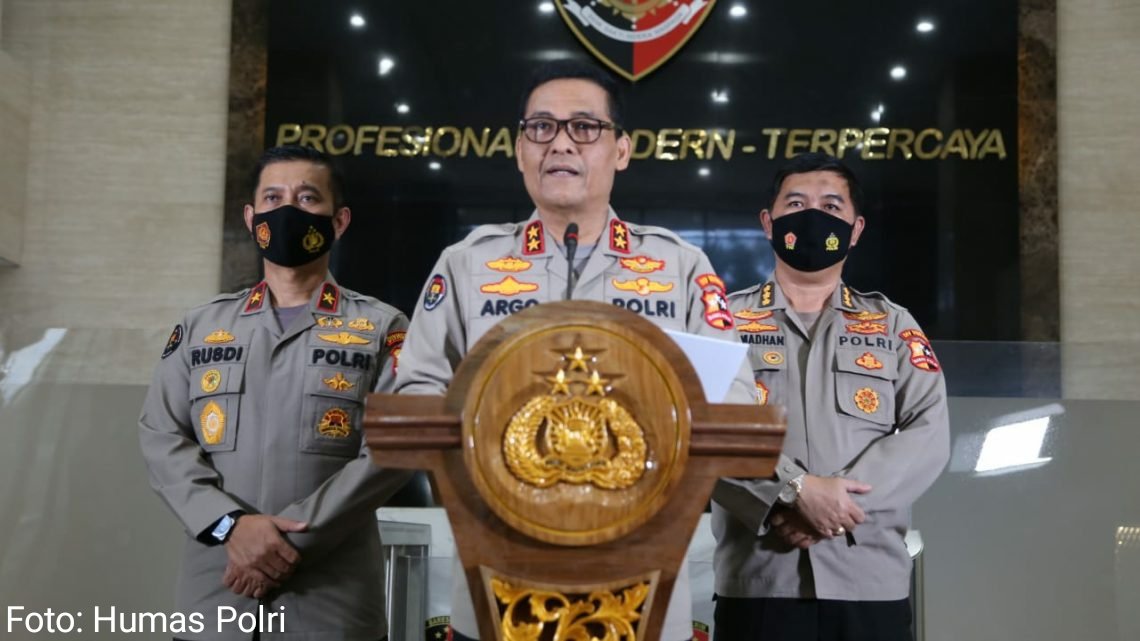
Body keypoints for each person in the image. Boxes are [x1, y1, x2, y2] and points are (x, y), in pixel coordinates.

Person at [395, 60, 754, 641]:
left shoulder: (680, 265)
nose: (560, 143)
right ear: (520, 150)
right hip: (500, 579)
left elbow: (732, 402)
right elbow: (414, 392)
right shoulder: (466, 264)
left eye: (584, 127)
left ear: (621, 150)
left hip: (637, 583)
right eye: (541, 127)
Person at [138, 145, 411, 641]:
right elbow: (162, 437)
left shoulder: (382, 327)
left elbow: (393, 451)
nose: (288, 210)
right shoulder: (201, 327)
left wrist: (286, 544)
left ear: (339, 220)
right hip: (215, 599)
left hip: (331, 606)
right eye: (273, 198)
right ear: (251, 217)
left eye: (307, 198)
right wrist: (230, 526)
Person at [710, 152, 950, 641]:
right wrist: (790, 493)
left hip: (869, 584)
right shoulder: (721, 324)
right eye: (796, 203)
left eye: (831, 206)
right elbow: (700, 431)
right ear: (768, 222)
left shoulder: (892, 324)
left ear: (855, 229)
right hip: (760, 581)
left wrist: (834, 506)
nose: (813, 217)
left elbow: (929, 432)